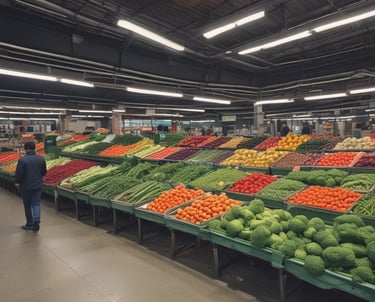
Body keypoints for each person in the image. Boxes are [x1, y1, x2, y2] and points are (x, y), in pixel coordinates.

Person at [15, 140, 47, 231]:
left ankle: (29, 224)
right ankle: (36, 219)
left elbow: (19, 173)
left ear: (25, 149)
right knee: (36, 203)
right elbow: (44, 171)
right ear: (34, 148)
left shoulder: (22, 160)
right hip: (38, 185)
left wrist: (17, 182)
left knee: (27, 205)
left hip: (26, 186)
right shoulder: (41, 159)